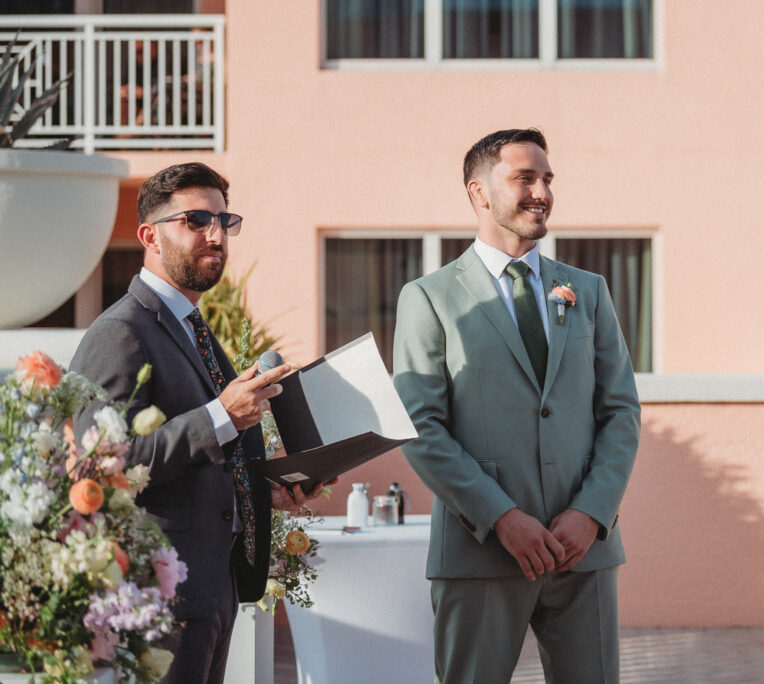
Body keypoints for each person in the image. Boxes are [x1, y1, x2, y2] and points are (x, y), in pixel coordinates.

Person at [393, 128, 642, 683]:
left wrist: (592, 512)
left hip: (583, 551)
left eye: (547, 179)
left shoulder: (588, 291)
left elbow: (621, 411)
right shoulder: (429, 297)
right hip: (481, 551)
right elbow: (420, 425)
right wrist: (502, 518)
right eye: (524, 178)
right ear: (479, 192)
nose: (542, 192)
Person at [70, 162, 330, 684]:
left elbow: (204, 463)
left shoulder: (193, 329)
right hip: (156, 598)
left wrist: (265, 492)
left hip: (213, 587)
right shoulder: (121, 332)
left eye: (224, 221)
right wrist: (221, 416)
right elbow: (99, 470)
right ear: (150, 236)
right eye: (196, 221)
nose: (216, 235)